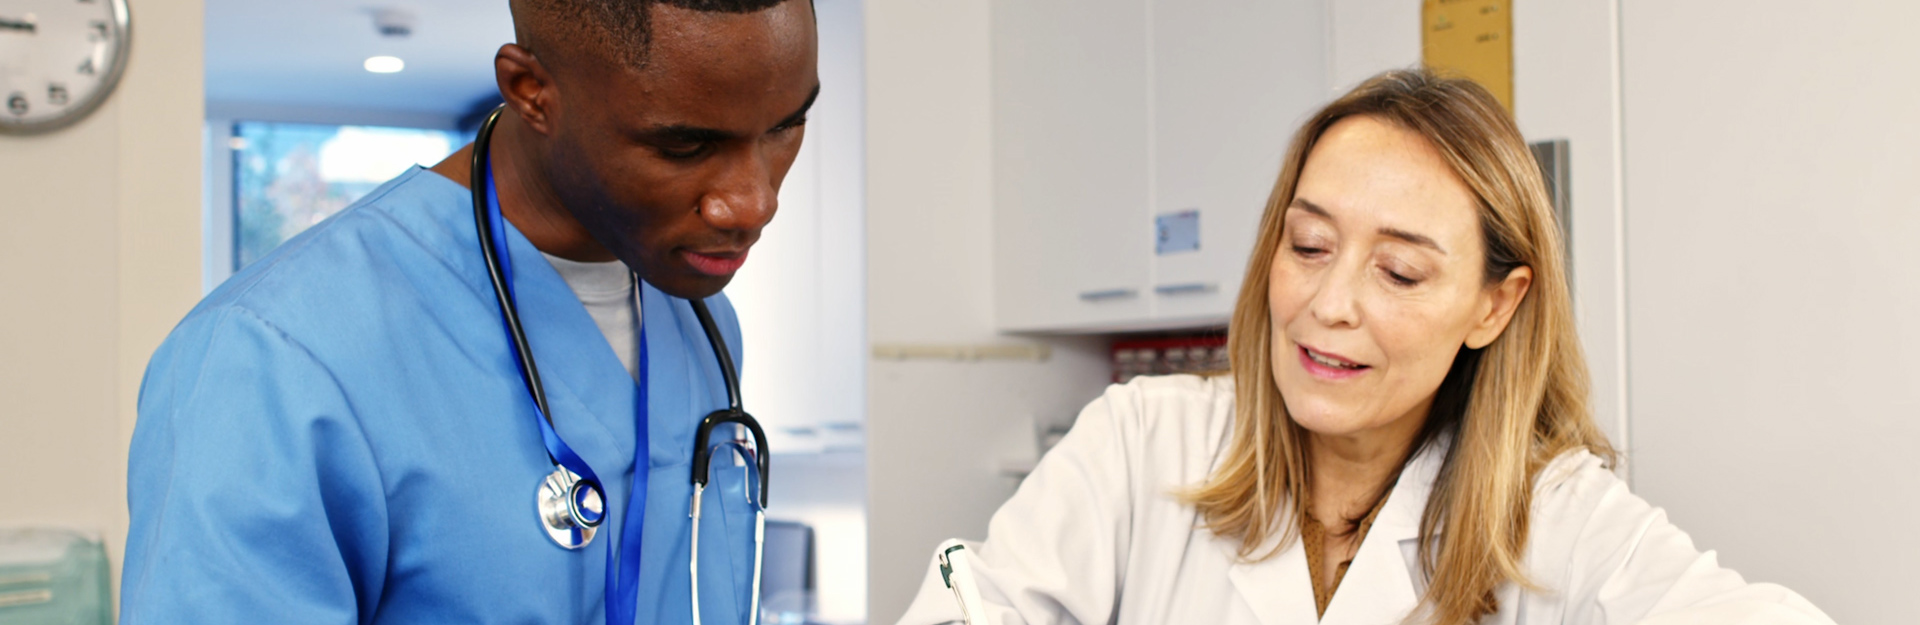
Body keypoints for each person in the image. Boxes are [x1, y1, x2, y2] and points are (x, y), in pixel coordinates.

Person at [894, 69, 1835, 625]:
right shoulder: (1146, 441)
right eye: (1308, 246)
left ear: (1495, 306)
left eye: (1399, 272)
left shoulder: (1554, 511)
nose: (1329, 303)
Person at [120, 1, 817, 622]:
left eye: (787, 126)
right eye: (684, 145)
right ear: (531, 91)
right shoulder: (270, 359)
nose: (754, 203)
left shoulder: (700, 323)